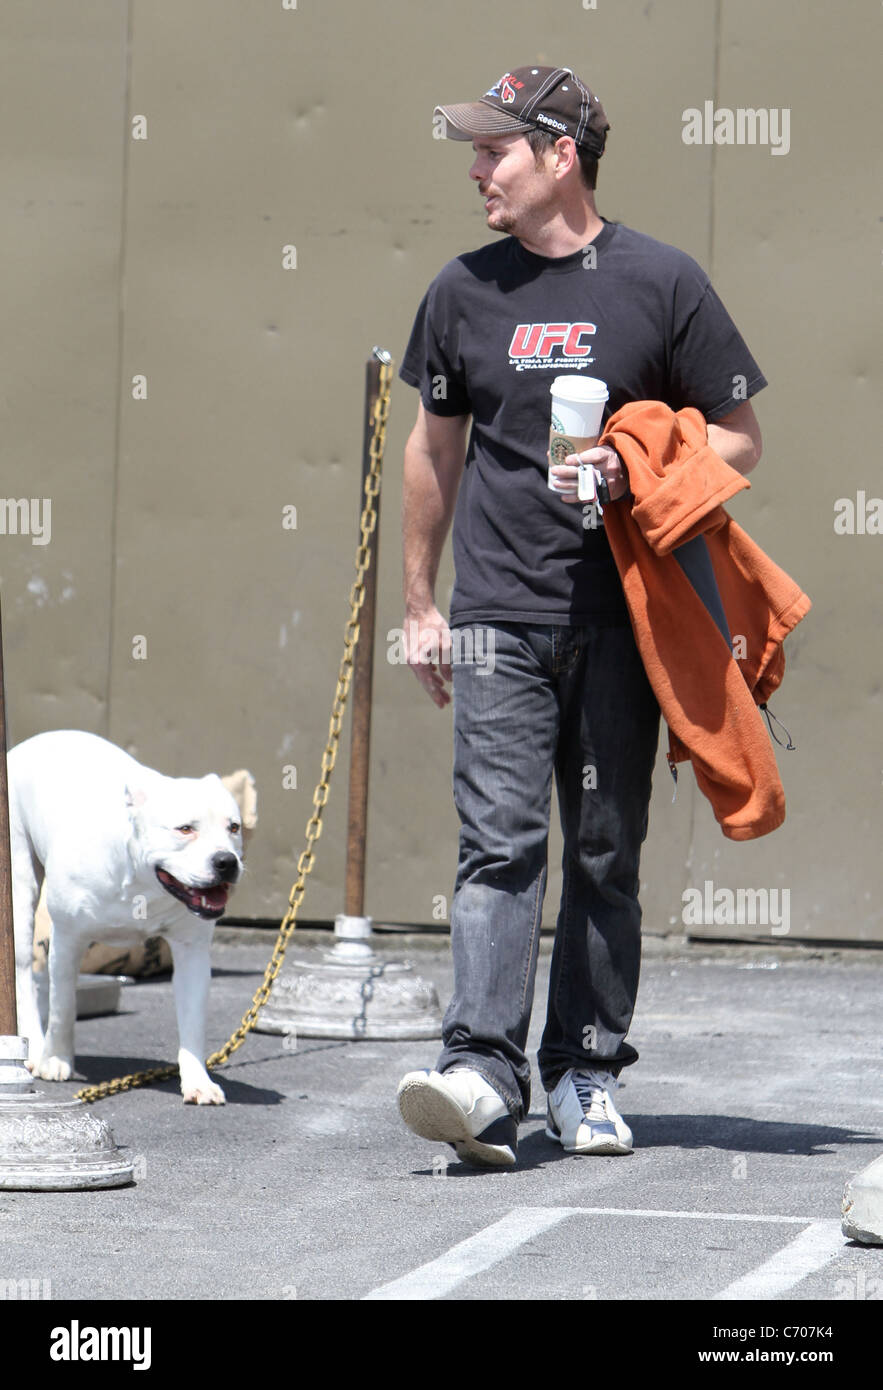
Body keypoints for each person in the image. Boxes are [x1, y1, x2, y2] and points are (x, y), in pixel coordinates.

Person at [396, 66, 766, 1167]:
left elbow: (738, 440)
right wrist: (420, 602)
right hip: (497, 616)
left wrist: (631, 466)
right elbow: (432, 449)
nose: (476, 170)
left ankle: (585, 1069)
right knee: (499, 844)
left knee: (605, 851)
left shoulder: (661, 283)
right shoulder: (463, 290)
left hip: (624, 622)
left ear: (562, 154)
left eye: (495, 150)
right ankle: (479, 1070)